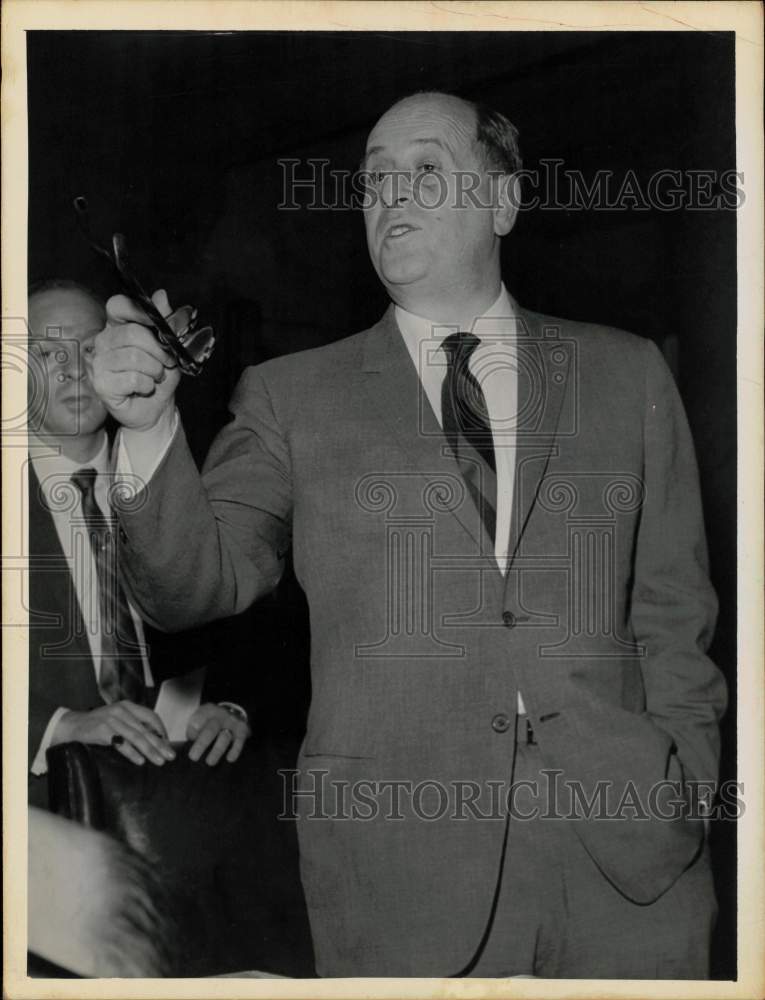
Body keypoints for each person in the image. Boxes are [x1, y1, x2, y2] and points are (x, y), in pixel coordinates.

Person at [90, 92, 727, 978]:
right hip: (400, 879)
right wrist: (150, 428)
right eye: (374, 179)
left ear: (503, 201)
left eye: (425, 169)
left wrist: (684, 782)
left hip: (632, 867)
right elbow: (195, 587)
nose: (391, 193)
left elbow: (673, 608)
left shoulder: (626, 373)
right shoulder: (290, 396)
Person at [27, 280, 251, 810]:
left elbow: (250, 622)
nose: (75, 368)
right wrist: (59, 726)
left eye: (90, 348)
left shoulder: (169, 477)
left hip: (168, 799)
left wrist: (229, 707)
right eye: (46, 352)